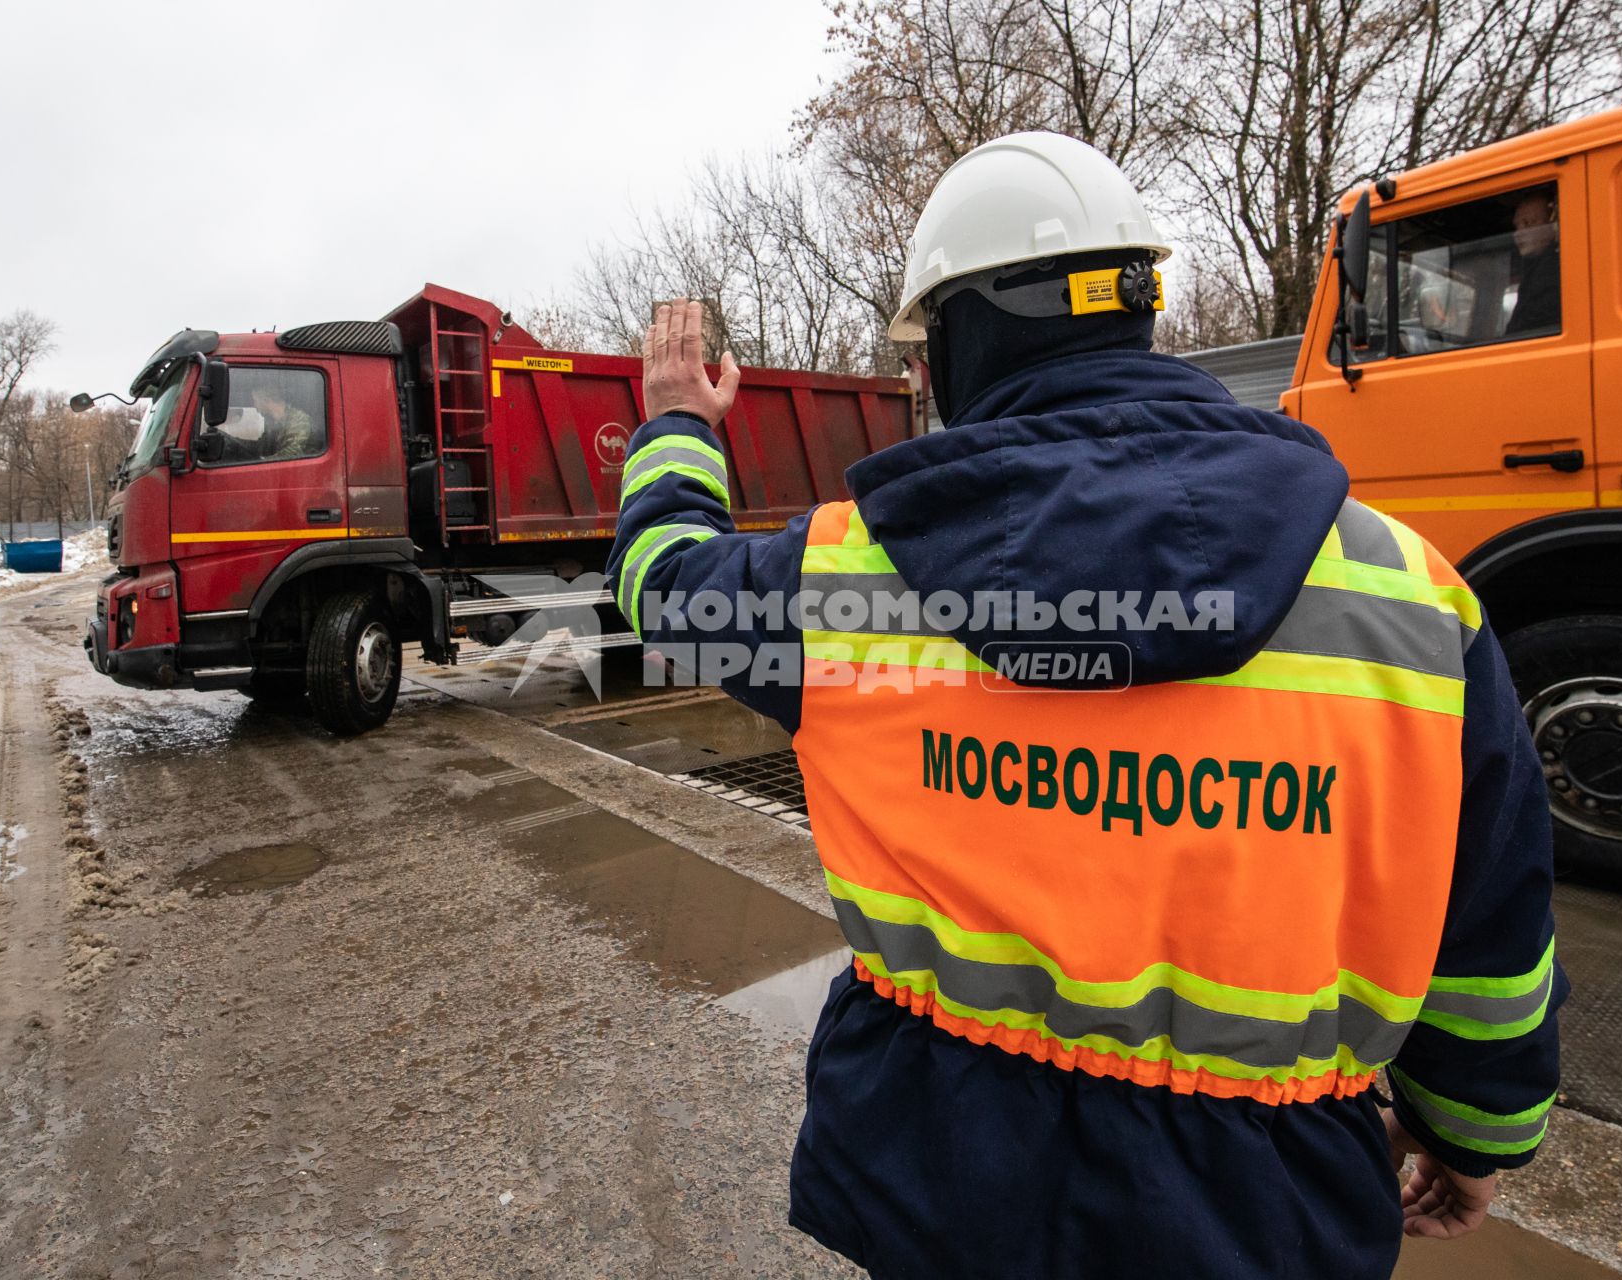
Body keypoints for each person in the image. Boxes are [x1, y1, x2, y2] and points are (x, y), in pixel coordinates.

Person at [608, 132, 1564, 1279]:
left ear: (957, 341)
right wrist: (1474, 1130)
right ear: (1137, 309)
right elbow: (1489, 925)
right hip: (1267, 1212)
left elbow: (665, 584)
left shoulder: (842, 580)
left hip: (942, 1177)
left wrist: (678, 422)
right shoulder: (1409, 595)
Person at [1506, 190, 1562, 336]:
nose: (1518, 234)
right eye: (1517, 227)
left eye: (1528, 223)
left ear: (1553, 224)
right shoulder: (1534, 269)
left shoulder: (1555, 271)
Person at [253, 381, 318, 461]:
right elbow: (261, 445)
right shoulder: (272, 423)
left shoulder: (299, 418)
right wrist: (236, 442)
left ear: (266, 400)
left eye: (255, 401)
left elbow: (293, 452)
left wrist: (262, 462)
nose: (254, 406)